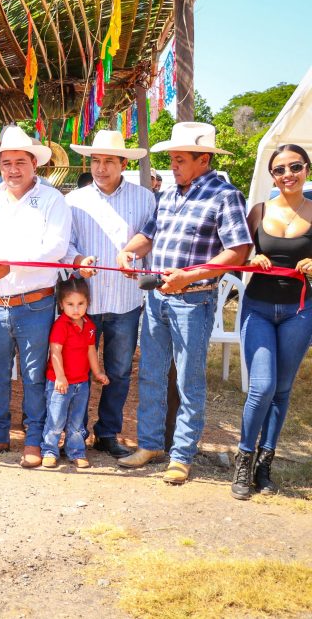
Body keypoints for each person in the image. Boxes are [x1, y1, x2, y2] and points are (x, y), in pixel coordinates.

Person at [117, 122, 252, 484]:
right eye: (172, 159)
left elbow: (238, 251)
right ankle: (150, 445)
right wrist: (129, 252)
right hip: (157, 298)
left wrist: (189, 277)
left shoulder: (226, 196)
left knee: (189, 380)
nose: (172, 166)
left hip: (194, 301)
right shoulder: (168, 195)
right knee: (151, 373)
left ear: (203, 159)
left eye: (180, 159)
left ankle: (181, 455)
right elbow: (148, 235)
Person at [0, 125, 71, 468]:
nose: (12, 169)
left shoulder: (52, 200)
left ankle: (33, 440)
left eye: (19, 162)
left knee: (34, 375)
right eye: (6, 163)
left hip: (34, 304)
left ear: (34, 164)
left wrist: (11, 265)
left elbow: (55, 247)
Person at [65, 130, 156, 458]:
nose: (100, 168)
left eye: (108, 161)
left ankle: (107, 432)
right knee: (77, 369)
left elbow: (149, 241)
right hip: (83, 305)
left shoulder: (145, 199)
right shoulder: (73, 201)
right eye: (95, 160)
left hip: (125, 300)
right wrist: (78, 260)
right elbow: (65, 244)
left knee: (118, 371)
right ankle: (75, 432)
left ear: (123, 164)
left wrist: (140, 266)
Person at [231, 144, 312, 499]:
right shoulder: (259, 211)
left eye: (295, 166)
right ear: (272, 176)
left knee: (281, 390)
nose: (288, 174)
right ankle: (244, 458)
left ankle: (265, 464)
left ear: (307, 168)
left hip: (300, 311)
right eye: (279, 170)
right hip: (258, 309)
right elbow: (237, 257)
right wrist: (252, 261)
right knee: (261, 387)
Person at [41, 277, 109, 469]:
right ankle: (49, 450)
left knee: (77, 421)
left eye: (81, 303)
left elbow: (91, 350)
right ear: (61, 304)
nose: (76, 309)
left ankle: (76, 451)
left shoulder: (89, 326)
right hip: (60, 383)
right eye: (70, 304)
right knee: (56, 419)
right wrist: (60, 376)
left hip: (81, 383)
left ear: (88, 303)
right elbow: (55, 351)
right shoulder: (61, 325)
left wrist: (97, 372)